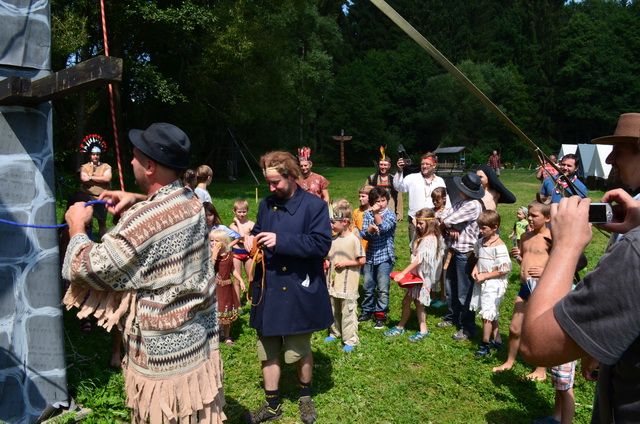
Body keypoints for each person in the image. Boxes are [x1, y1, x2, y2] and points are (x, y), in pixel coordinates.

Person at [62, 122, 225, 423]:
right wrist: (137, 198)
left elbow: (85, 268)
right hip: (196, 340)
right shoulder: (191, 200)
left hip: (162, 358)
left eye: (135, 157)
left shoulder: (142, 223)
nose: (131, 162)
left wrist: (76, 227)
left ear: (150, 166)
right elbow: (165, 211)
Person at [521, 113, 640, 423]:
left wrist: (566, 246)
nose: (610, 159)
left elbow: (536, 345)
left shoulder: (635, 250)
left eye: (620, 150)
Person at [243, 151, 332, 424]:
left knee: (300, 347)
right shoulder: (266, 204)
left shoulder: (314, 206)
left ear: (292, 176)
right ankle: (272, 405)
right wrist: (251, 238)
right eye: (268, 183)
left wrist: (281, 240)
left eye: (276, 183)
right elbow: (259, 229)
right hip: (268, 288)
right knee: (267, 348)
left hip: (297, 287)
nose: (271, 188)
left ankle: (305, 397)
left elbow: (321, 244)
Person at [492, 200, 550, 381]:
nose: (530, 219)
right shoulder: (525, 236)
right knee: (514, 327)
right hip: (525, 287)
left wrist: (544, 271)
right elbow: (525, 260)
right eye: (529, 215)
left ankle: (541, 370)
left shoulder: (551, 237)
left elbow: (560, 263)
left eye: (534, 216)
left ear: (547, 218)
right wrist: (518, 257)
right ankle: (509, 361)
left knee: (540, 330)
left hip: (541, 288)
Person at [436, 172, 484, 341]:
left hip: (465, 253)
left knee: (464, 292)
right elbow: (441, 215)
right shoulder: (461, 203)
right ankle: (453, 317)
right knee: (451, 288)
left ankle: (468, 327)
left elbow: (448, 219)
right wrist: (448, 226)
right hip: (454, 250)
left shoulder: (473, 205)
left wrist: (447, 224)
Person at [386, 207, 444, 342]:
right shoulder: (421, 236)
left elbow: (419, 259)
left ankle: (419, 329)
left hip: (422, 278)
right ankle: (404, 327)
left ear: (430, 223)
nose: (418, 225)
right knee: (409, 302)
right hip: (416, 276)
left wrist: (403, 273)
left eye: (421, 223)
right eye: (417, 222)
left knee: (418, 303)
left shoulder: (430, 239)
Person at [470, 210, 511, 357]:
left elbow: (504, 269)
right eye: (479, 228)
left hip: (494, 283)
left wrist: (485, 275)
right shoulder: (480, 242)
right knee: (490, 310)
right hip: (482, 281)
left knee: (486, 314)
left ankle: (485, 343)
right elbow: (478, 258)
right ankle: (497, 339)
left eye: (484, 228)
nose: (480, 231)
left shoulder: (499, 246)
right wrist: (476, 269)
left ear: (495, 227)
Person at [324, 205, 365, 352]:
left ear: (345, 222)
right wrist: (327, 262)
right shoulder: (333, 239)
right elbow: (328, 256)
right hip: (333, 282)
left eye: (334, 222)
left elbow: (362, 260)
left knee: (348, 310)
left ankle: (350, 339)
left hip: (348, 283)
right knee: (333, 308)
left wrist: (346, 263)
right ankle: (335, 332)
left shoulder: (353, 240)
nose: (331, 225)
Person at [358, 186, 397, 329]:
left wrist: (376, 214)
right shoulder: (367, 214)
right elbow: (364, 234)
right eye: (377, 201)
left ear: (387, 200)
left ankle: (380, 313)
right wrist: (369, 230)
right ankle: (367, 311)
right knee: (368, 286)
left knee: (382, 288)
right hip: (370, 255)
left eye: (383, 200)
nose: (381, 204)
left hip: (385, 256)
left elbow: (384, 228)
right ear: (372, 202)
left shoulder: (390, 215)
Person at [394, 152, 449, 242]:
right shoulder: (412, 178)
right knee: (415, 248)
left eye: (427, 164)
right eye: (422, 164)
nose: (424, 166)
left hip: (433, 222)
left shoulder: (439, 181)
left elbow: (446, 202)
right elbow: (398, 187)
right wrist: (400, 171)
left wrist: (445, 221)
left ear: (434, 165)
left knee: (432, 248)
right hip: (415, 221)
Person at [211, 229, 243, 346]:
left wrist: (241, 280)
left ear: (224, 242)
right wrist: (214, 254)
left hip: (226, 288)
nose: (214, 243)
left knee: (226, 310)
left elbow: (232, 269)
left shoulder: (229, 255)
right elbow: (210, 268)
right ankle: (215, 334)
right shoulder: (210, 254)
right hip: (215, 288)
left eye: (217, 241)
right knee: (216, 310)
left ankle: (227, 336)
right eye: (211, 240)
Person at [78, 134, 112, 239]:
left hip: (102, 198)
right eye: (93, 154)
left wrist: (91, 178)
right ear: (90, 155)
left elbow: (107, 178)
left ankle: (104, 241)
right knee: (87, 222)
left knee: (102, 222)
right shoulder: (84, 167)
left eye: (97, 154)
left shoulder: (106, 166)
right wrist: (100, 179)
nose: (95, 156)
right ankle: (89, 241)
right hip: (87, 197)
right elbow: (84, 179)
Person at [366, 147, 401, 220]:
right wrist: (367, 209)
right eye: (381, 165)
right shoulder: (371, 179)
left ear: (389, 166)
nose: (383, 167)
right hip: (375, 211)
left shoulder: (394, 179)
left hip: (390, 210)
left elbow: (399, 197)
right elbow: (366, 195)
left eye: (385, 165)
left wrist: (399, 213)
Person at [230, 198, 255, 300]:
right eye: (239, 212)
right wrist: (238, 223)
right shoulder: (233, 225)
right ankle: (238, 302)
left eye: (244, 211)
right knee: (237, 280)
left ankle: (251, 296)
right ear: (234, 212)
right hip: (236, 253)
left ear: (247, 211)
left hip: (248, 252)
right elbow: (240, 236)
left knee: (251, 278)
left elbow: (254, 237)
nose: (241, 214)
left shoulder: (251, 224)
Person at [431, 187, 450, 308]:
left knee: (443, 270)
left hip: (443, 244)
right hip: (432, 243)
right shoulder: (431, 211)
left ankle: (443, 296)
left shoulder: (448, 211)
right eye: (433, 200)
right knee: (432, 269)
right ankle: (433, 294)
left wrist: (441, 221)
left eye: (437, 200)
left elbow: (448, 226)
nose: (435, 202)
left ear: (444, 199)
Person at [352, 185, 373, 253]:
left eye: (363, 196)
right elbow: (353, 228)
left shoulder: (375, 212)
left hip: (372, 244)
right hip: (359, 244)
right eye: (359, 196)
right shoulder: (357, 212)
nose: (360, 199)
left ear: (371, 197)